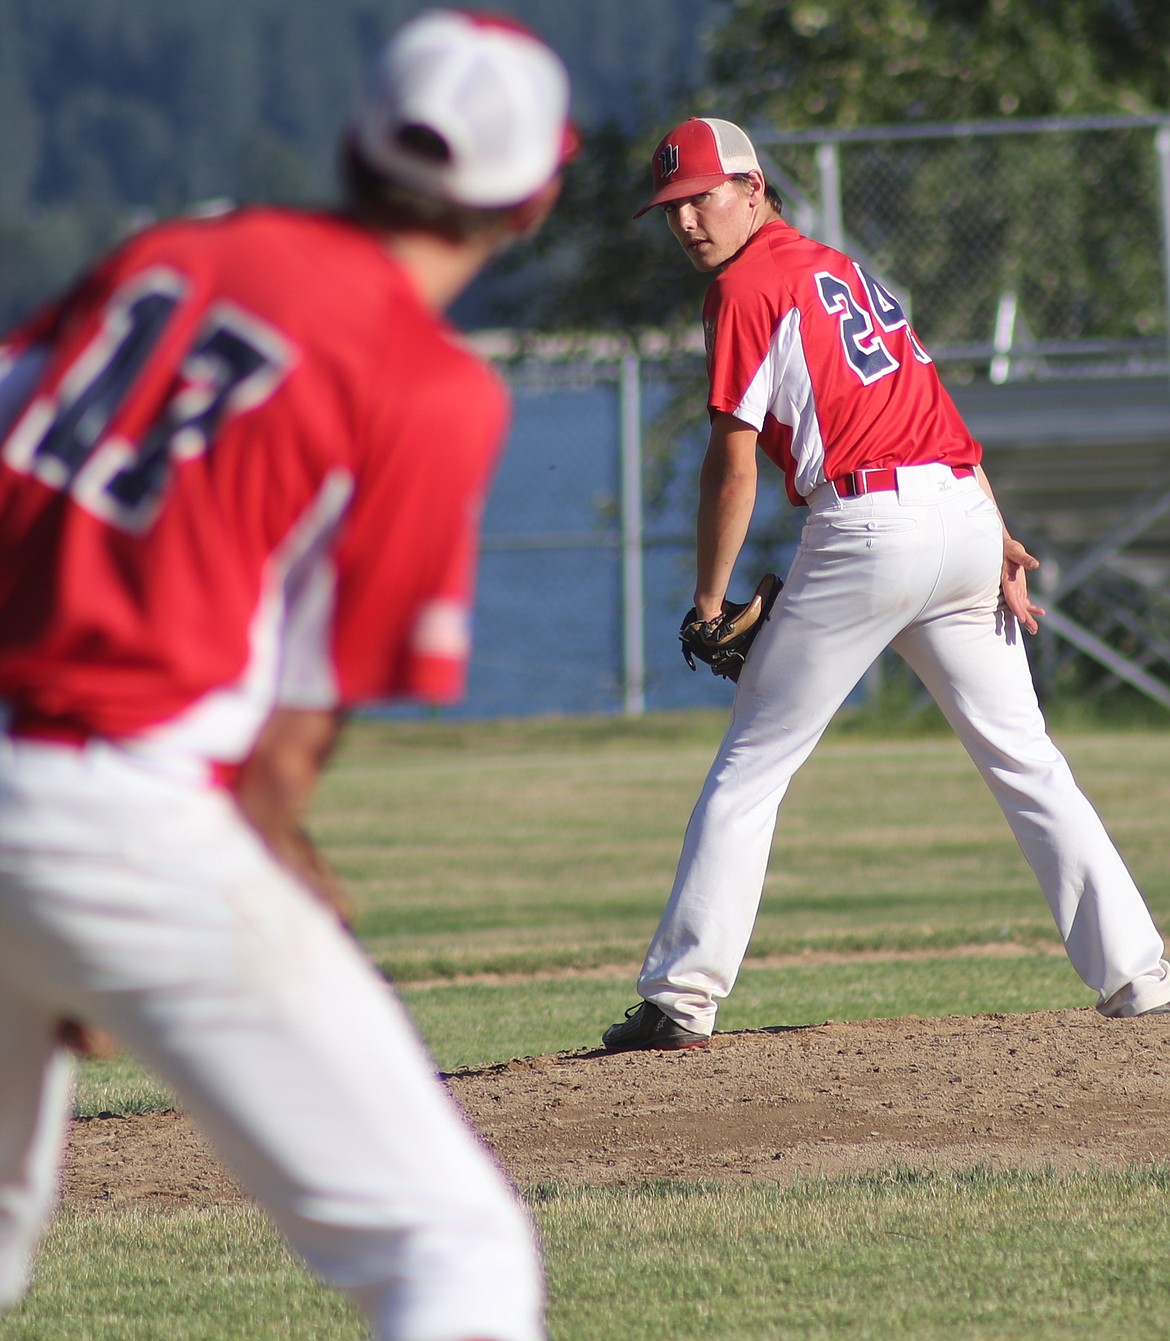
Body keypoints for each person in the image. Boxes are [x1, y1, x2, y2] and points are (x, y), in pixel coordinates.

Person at [0, 10, 575, 1339]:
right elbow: (287, 738)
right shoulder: (428, 385)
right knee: (452, 1249)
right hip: (116, 808)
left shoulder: (171, 252)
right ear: (535, 198)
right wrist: (177, 908)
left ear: (350, 140)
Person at [603, 116, 1170, 1053]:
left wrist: (709, 602)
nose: (688, 221)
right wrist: (994, 532)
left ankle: (681, 999)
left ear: (753, 188)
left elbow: (732, 461)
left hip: (871, 525)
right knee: (1025, 758)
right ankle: (1138, 975)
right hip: (955, 508)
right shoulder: (845, 270)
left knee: (752, 765)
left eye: (703, 196)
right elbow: (931, 403)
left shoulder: (745, 287)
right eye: (673, 207)